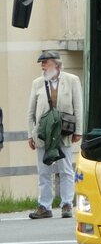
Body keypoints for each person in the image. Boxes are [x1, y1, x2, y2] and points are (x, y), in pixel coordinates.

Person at [27, 49, 82, 219]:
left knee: (65, 169)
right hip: (43, 133)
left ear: (56, 64)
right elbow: (31, 112)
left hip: (63, 132)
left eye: (46, 62)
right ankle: (44, 206)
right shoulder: (37, 83)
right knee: (44, 170)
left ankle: (66, 204)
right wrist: (31, 134)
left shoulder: (72, 80)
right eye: (42, 63)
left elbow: (78, 107)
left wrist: (78, 131)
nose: (42, 66)